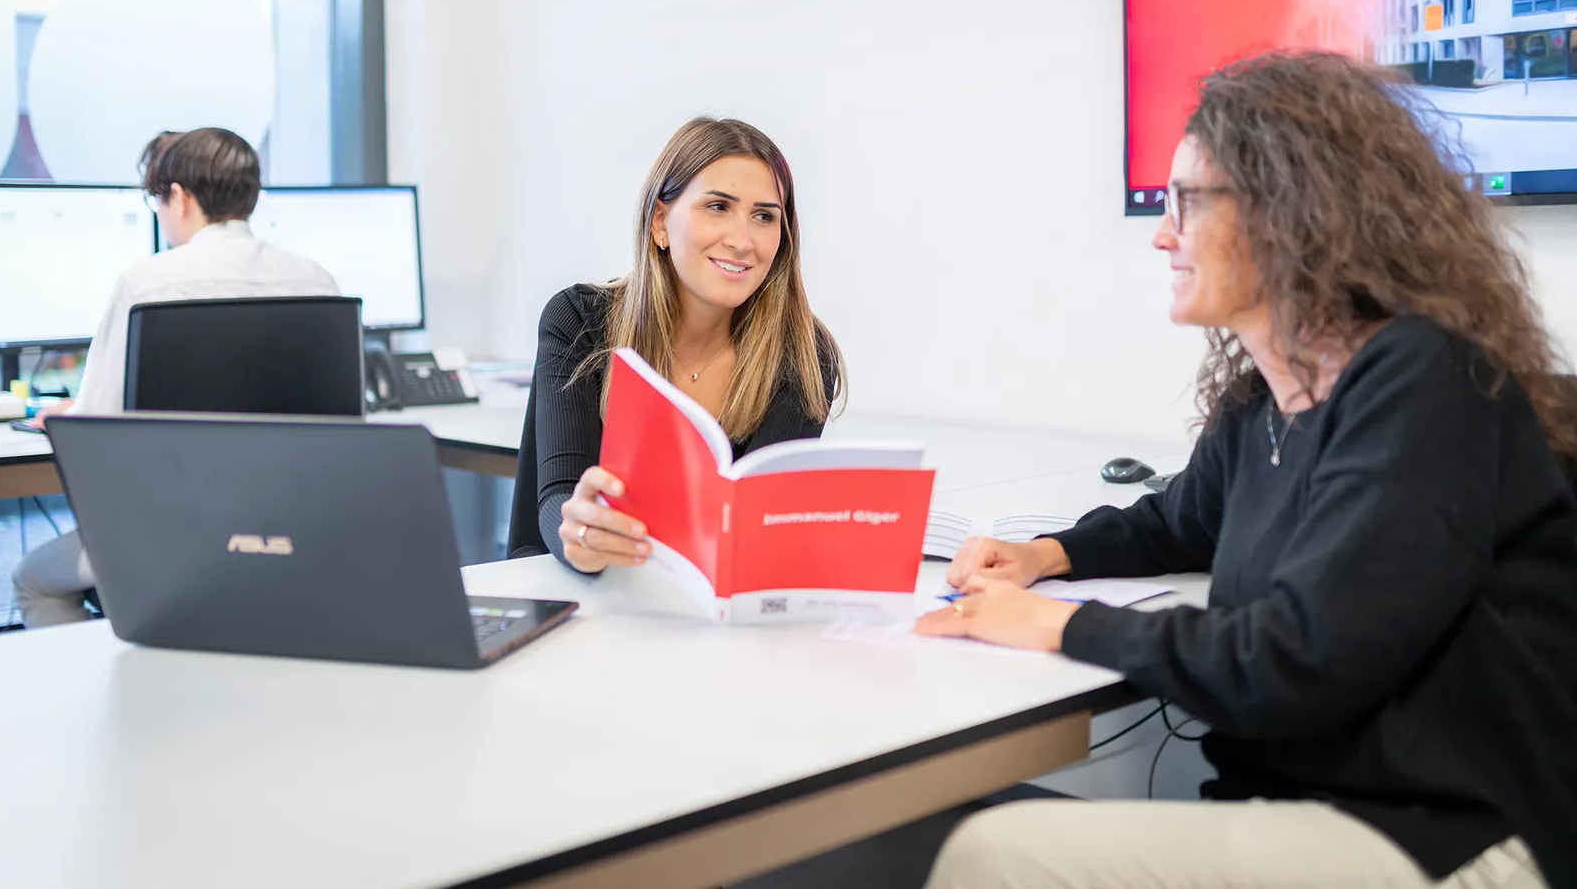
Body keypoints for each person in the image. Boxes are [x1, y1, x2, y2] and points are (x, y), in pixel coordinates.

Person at [916, 52, 1577, 888]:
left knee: (996, 855)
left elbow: (1300, 658)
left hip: (1446, 830)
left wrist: (1058, 624)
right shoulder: (1263, 398)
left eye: (1186, 203)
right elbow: (1178, 520)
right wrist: (1048, 556)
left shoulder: (1424, 380)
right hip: (1316, 806)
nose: (1162, 233)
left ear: (1292, 209)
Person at [12, 127, 340, 628]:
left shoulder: (148, 282)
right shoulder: (318, 278)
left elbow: (98, 426)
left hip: (175, 536)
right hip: (291, 532)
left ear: (180, 199)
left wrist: (63, 415)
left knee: (33, 578)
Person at [532, 117, 844, 573]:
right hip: (595, 596)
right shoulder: (579, 320)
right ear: (660, 221)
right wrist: (579, 533)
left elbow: (754, 531)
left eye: (764, 216)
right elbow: (558, 496)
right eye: (718, 206)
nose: (742, 241)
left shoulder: (803, 355)